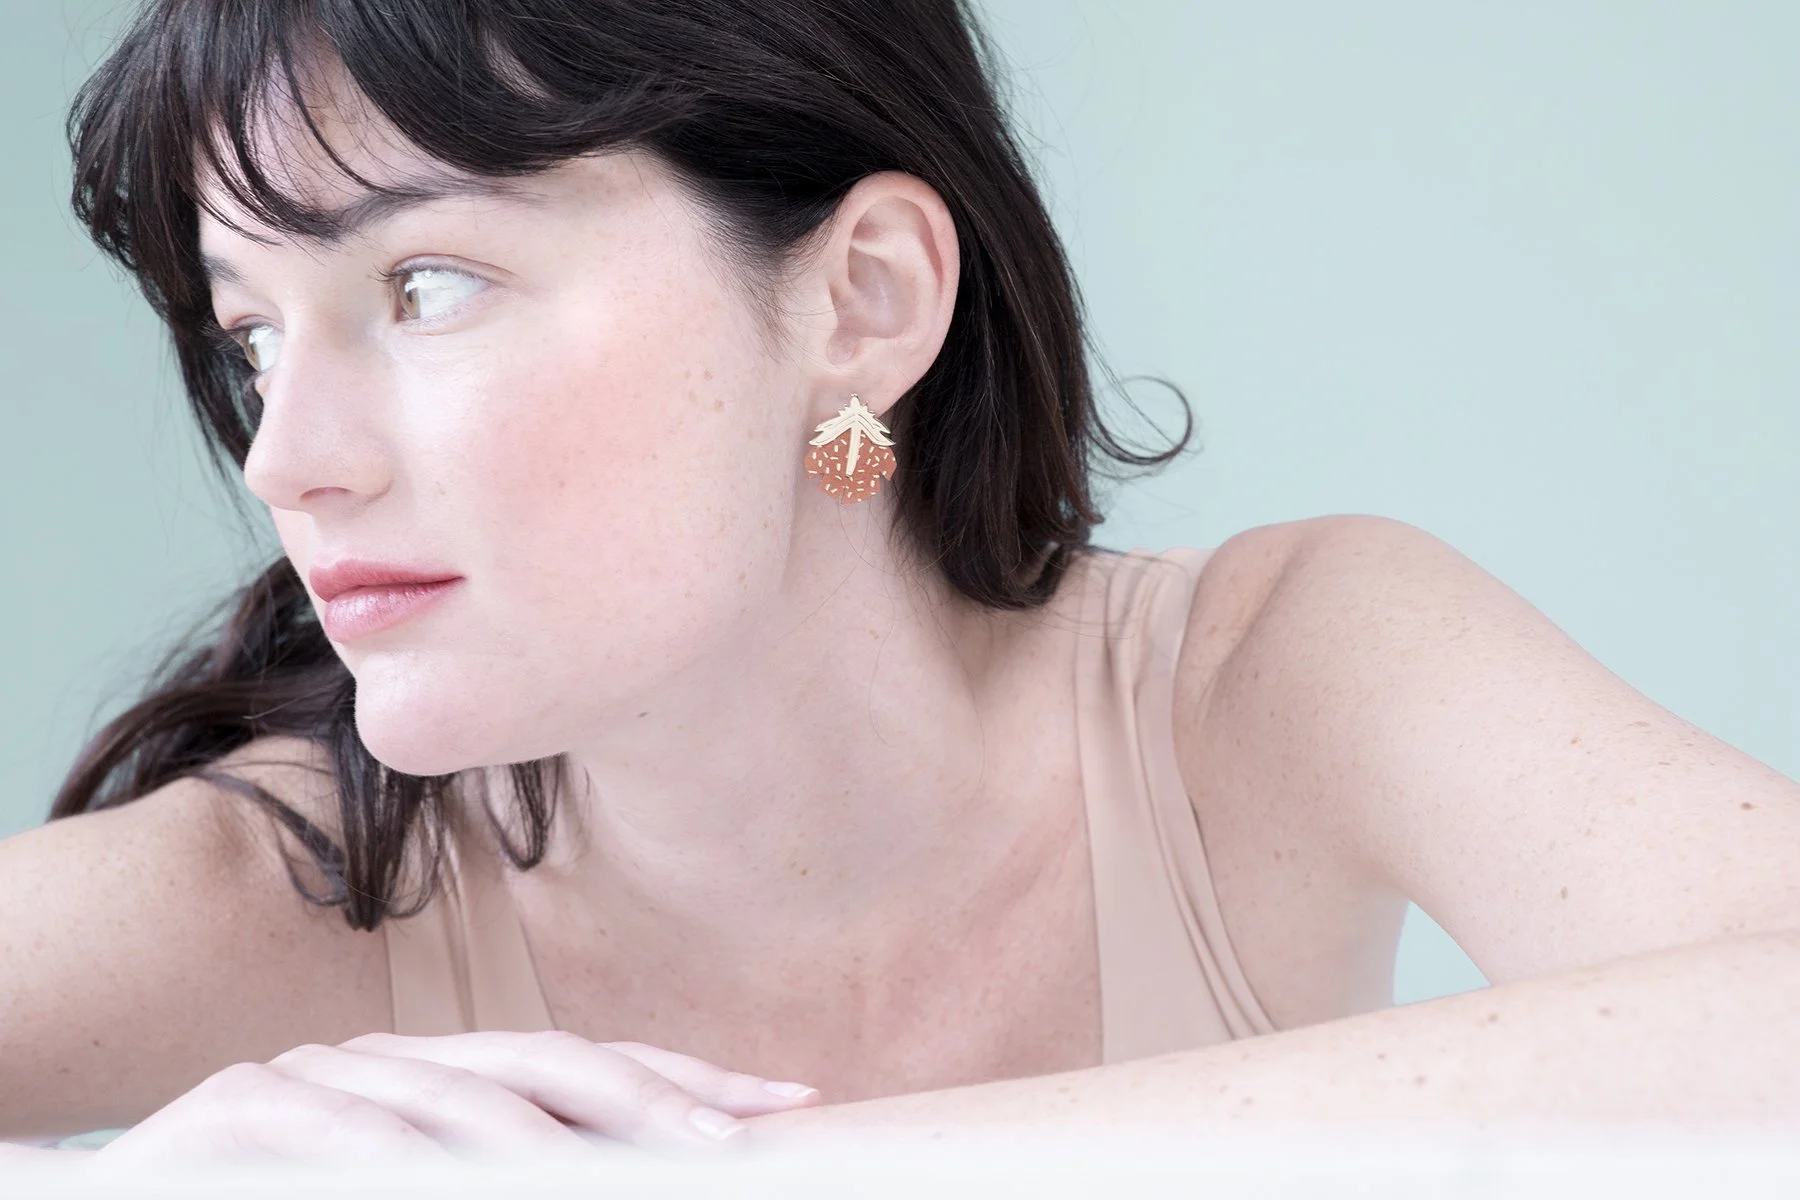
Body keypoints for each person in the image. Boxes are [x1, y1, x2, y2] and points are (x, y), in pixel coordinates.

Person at [4, 0, 1798, 1168]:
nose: (284, 459)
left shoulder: (1270, 682)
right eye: (252, 339)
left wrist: (725, 1176)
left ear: (863, 302)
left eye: (426, 287)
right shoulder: (295, 884)